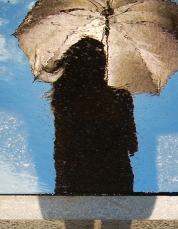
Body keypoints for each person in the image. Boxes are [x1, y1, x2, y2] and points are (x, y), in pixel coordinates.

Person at [51, 37, 138, 195]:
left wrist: (62, 183)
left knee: (80, 219)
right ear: (102, 65)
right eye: (101, 60)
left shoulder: (65, 99)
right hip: (114, 175)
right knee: (116, 218)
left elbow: (61, 147)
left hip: (74, 177)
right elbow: (132, 145)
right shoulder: (120, 97)